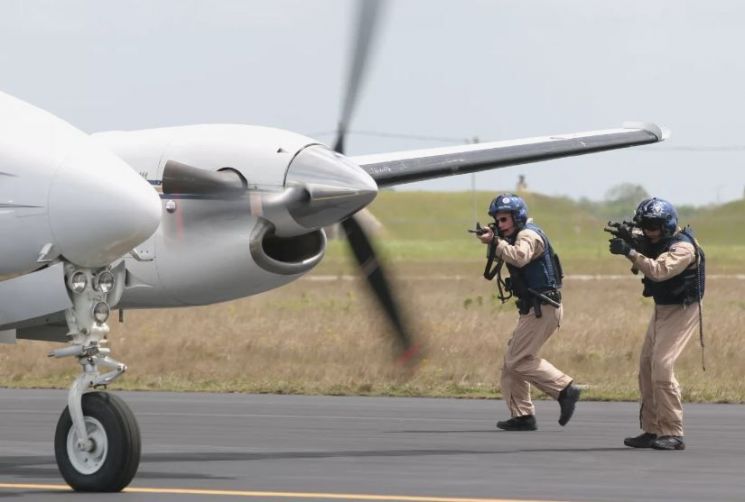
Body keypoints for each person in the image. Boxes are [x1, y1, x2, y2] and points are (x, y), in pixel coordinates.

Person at [476, 193, 581, 431]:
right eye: (497, 220)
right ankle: (522, 416)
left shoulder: (528, 235)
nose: (500, 225)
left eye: (504, 220)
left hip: (542, 308)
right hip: (534, 308)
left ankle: (565, 389)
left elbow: (520, 257)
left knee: (518, 360)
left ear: (517, 217)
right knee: (510, 361)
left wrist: (496, 242)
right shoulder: (516, 234)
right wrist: (496, 240)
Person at [609, 197, 705, 451]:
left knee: (662, 367)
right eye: (644, 225)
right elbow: (649, 247)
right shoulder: (658, 239)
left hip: (682, 311)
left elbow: (659, 271)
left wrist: (629, 251)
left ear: (666, 224)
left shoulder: (683, 248)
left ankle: (673, 432)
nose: (647, 231)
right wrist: (631, 240)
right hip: (662, 309)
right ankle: (652, 430)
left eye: (652, 226)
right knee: (646, 367)